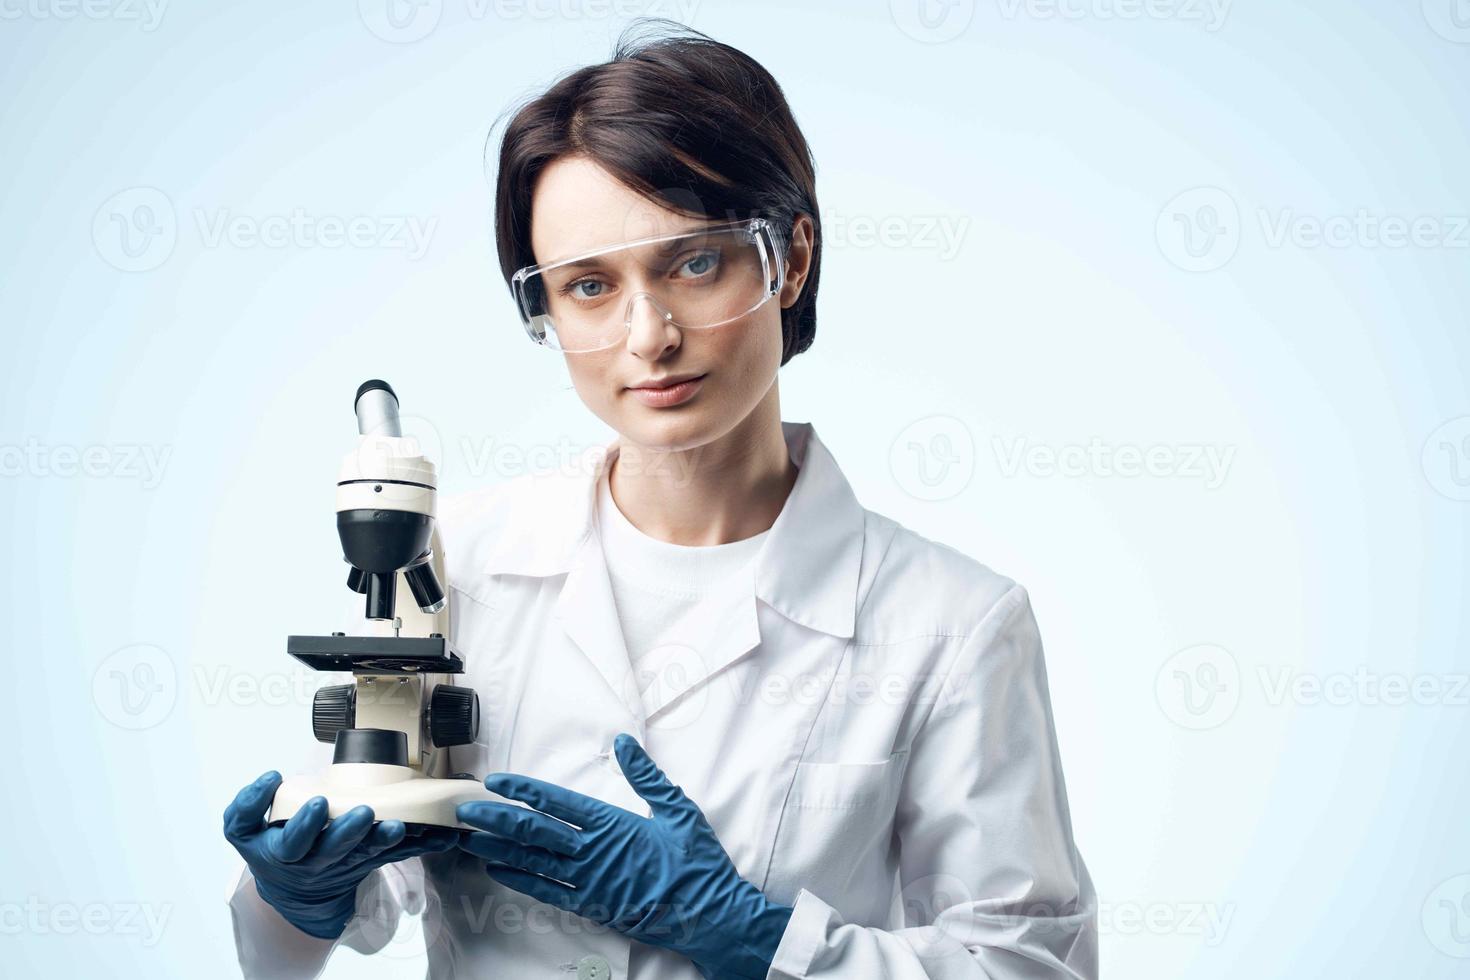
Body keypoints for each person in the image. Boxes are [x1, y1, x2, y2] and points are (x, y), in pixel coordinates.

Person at [224, 20, 1097, 980]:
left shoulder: (952, 623)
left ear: (790, 259)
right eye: (590, 286)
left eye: (693, 263)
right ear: (545, 310)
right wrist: (289, 894)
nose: (648, 337)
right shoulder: (452, 567)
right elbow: (324, 923)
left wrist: (758, 941)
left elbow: (1028, 965)